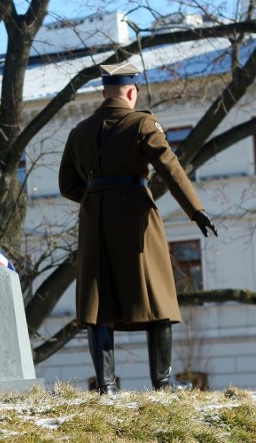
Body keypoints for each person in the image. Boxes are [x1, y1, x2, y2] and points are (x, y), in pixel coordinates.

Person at [58, 62, 218, 394]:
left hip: (94, 219)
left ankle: (107, 386)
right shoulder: (142, 122)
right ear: (132, 92)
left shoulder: (79, 132)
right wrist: (196, 210)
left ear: (104, 92)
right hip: (135, 213)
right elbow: (169, 169)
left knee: (97, 301)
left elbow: (66, 185)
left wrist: (97, 197)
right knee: (157, 294)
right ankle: (162, 382)